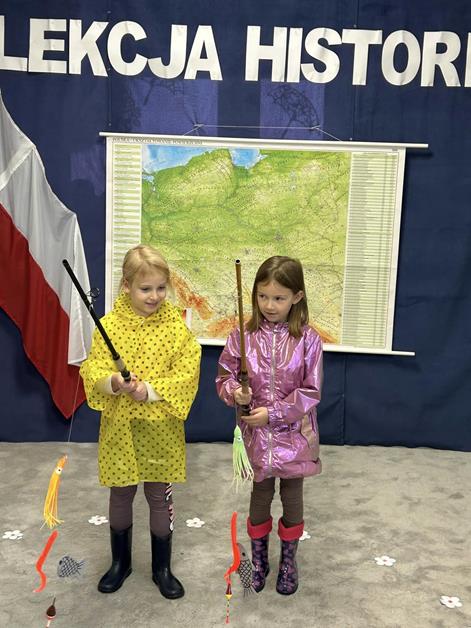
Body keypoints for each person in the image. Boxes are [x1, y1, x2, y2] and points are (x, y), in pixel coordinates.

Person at [80, 244, 201, 598]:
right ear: (126, 286)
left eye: (161, 288)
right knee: (120, 494)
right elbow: (93, 369)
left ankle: (162, 568)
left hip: (160, 428)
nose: (154, 296)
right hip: (120, 427)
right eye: (145, 288)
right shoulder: (108, 326)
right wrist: (114, 383)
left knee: (159, 496)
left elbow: (187, 371)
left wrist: (148, 390)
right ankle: (121, 562)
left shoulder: (176, 328)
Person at [216, 256, 323, 595]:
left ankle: (289, 560)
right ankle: (260, 559)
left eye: (279, 298)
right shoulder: (242, 335)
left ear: (297, 297)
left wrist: (273, 414)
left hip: (295, 435)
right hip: (257, 436)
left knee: (292, 494)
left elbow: (310, 391)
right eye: (263, 296)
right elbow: (224, 377)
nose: (270, 305)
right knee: (260, 493)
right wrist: (236, 393)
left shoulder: (309, 339)